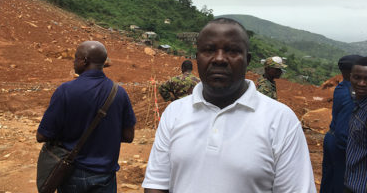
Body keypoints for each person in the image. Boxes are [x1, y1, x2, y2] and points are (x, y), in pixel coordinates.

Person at [142, 18, 316, 193]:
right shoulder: (174, 112)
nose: (219, 59)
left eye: (232, 51)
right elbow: (156, 184)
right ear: (197, 58)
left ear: (247, 60)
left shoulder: (281, 120)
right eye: (209, 50)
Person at [36, 41, 136, 193]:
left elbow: (42, 135)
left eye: (75, 58)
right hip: (105, 176)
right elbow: (128, 136)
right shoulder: (119, 93)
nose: (73, 61)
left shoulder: (65, 91)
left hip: (72, 174)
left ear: (84, 60)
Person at [320, 55, 362, 193]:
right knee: (341, 182)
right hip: (341, 143)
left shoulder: (342, 86)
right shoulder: (353, 96)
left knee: (329, 178)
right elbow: (344, 131)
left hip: (331, 138)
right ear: (353, 73)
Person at [344, 56, 367, 193]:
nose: (362, 83)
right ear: (349, 77)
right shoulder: (357, 103)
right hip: (351, 181)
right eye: (357, 77)